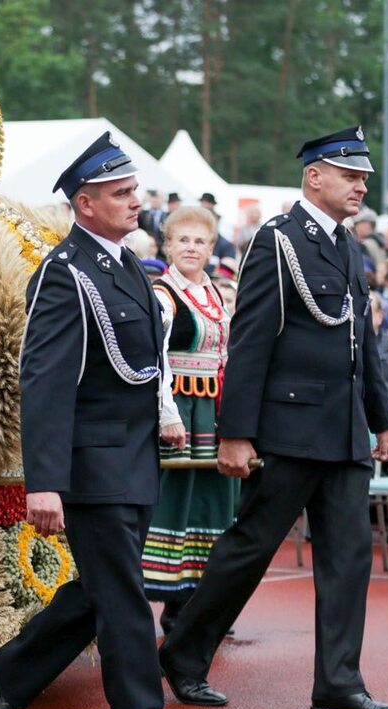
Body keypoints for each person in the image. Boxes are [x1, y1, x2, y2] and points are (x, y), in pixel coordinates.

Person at [0, 132, 211, 709]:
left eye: (133, 190)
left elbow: (143, 362)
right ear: (85, 203)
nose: (137, 201)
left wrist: (163, 415)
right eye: (121, 192)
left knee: (103, 589)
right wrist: (44, 481)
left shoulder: (127, 262)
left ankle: (9, 672)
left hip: (132, 458)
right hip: (91, 464)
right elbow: (44, 381)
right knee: (127, 599)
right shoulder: (63, 272)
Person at [158, 125, 388, 709]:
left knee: (349, 558)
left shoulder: (346, 245)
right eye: (351, 176)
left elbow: (360, 339)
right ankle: (185, 649)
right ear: (314, 176)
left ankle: (339, 683)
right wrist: (236, 432)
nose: (361, 186)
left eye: (364, 178)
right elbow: (250, 339)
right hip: (290, 427)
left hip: (343, 429)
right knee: (251, 547)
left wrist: (381, 415)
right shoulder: (279, 239)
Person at [141, 206, 237, 634]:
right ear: (168, 245)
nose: (191, 248)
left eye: (200, 241)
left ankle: (191, 605)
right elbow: (156, 360)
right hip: (180, 410)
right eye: (183, 240)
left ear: (212, 248)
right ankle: (143, 603)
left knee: (210, 500)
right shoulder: (163, 294)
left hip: (212, 413)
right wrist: (167, 414)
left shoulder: (215, 293)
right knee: (172, 499)